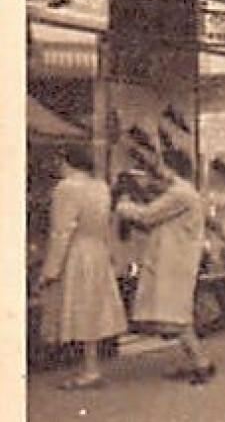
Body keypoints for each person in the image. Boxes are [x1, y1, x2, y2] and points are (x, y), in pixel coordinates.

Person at [113, 144, 215, 384]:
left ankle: (202, 363)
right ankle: (200, 362)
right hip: (177, 260)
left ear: (171, 168)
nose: (157, 171)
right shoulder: (184, 192)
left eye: (160, 165)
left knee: (176, 317)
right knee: (178, 315)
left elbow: (147, 215)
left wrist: (122, 204)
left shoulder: (180, 193)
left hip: (175, 263)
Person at [35, 142, 128, 390]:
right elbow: (107, 224)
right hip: (97, 251)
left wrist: (50, 269)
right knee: (92, 309)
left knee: (76, 307)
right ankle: (90, 366)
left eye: (59, 161)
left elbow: (61, 231)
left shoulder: (66, 188)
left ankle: (88, 370)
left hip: (76, 253)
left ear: (67, 161)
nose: (57, 166)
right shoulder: (100, 187)